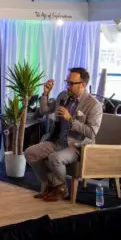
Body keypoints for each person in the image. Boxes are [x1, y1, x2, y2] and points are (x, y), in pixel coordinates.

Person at [24, 67, 103, 202]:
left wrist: (70, 119)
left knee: (55, 158)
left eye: (71, 83)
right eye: (67, 82)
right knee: (30, 153)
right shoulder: (63, 96)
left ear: (82, 84)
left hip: (76, 146)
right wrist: (45, 94)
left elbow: (91, 132)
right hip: (57, 141)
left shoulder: (93, 105)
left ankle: (61, 189)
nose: (68, 86)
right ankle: (53, 186)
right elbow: (44, 111)